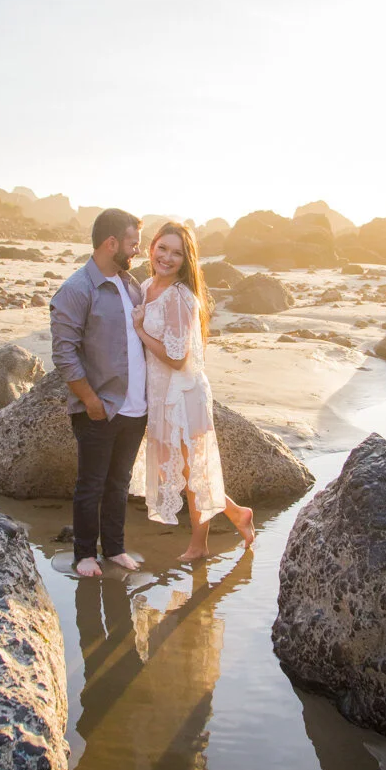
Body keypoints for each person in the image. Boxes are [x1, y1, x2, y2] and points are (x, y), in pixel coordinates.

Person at [131, 221, 254, 560]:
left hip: (183, 392)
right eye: (162, 248)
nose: (167, 258)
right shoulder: (145, 287)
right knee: (185, 470)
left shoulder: (182, 298)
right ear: (152, 246)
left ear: (186, 260)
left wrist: (140, 330)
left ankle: (199, 546)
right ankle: (237, 514)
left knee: (194, 470)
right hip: (161, 393)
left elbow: (176, 357)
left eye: (176, 253)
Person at [50, 208, 147, 577]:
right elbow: (64, 353)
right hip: (99, 408)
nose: (136, 252)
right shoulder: (77, 289)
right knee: (91, 485)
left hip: (136, 408)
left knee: (119, 482)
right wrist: (90, 401)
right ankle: (85, 554)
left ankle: (116, 548)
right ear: (111, 244)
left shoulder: (130, 284)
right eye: (132, 244)